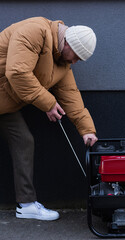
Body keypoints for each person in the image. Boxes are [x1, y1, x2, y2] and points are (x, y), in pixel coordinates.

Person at [0, 17, 98, 221]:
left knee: (24, 141)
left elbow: (70, 95)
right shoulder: (35, 31)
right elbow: (17, 73)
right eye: (77, 56)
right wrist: (48, 103)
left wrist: (87, 130)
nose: (76, 62)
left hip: (5, 104)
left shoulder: (62, 62)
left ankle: (26, 205)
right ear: (68, 43)